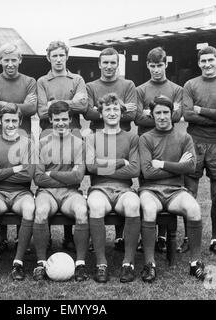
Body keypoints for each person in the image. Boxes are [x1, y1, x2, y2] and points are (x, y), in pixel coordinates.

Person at [138, 95, 206, 283]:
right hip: (150, 190)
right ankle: (150, 264)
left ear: (172, 114)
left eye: (165, 112)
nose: (162, 116)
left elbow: (191, 168)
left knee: (193, 208)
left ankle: (195, 264)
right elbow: (148, 173)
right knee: (149, 209)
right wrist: (177, 166)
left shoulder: (184, 137)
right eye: (157, 113)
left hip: (176, 190)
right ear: (152, 116)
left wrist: (162, 164)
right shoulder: (145, 138)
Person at [182, 46, 216, 256]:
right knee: (190, 194)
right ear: (199, 63)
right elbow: (188, 115)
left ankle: (215, 239)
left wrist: (201, 110)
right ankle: (188, 237)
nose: (207, 64)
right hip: (193, 144)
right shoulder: (190, 85)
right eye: (203, 61)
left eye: (211, 60)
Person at [84, 47, 138, 253]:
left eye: (112, 62)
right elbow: (88, 114)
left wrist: (107, 109)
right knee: (102, 180)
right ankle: (96, 238)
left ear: (118, 64)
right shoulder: (91, 85)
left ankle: (120, 237)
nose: (108, 66)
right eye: (105, 62)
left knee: (123, 182)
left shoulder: (128, 84)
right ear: (99, 64)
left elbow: (131, 116)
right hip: (99, 137)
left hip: (122, 135)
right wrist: (116, 108)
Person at [37, 40, 88, 250]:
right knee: (48, 174)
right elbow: (41, 111)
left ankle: (69, 236)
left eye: (62, 55)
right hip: (49, 133)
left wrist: (54, 105)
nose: (58, 60)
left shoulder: (76, 79)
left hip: (72, 132)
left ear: (67, 57)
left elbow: (83, 105)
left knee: (71, 180)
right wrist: (69, 103)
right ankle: (46, 235)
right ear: (48, 58)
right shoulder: (42, 81)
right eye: (54, 56)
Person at [0, 42, 37, 254]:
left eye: (13, 59)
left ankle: (19, 237)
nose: (10, 64)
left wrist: (3, 103)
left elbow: (32, 108)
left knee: (22, 183)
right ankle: (2, 237)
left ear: (20, 60)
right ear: (0, 61)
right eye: (6, 60)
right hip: (1, 137)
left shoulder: (29, 81)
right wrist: (18, 105)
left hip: (23, 137)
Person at [86, 93, 140, 283]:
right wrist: (120, 162)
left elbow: (134, 169)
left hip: (124, 189)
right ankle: (101, 263)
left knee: (134, 205)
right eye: (107, 109)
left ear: (121, 113)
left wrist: (104, 167)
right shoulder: (92, 137)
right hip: (99, 188)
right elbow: (91, 167)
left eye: (115, 109)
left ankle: (128, 263)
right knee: (96, 206)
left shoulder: (131, 137)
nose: (111, 112)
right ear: (101, 114)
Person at [32, 101, 89, 282]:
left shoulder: (79, 144)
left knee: (81, 211)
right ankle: (41, 263)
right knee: (40, 212)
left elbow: (78, 177)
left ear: (70, 119)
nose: (61, 123)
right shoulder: (41, 144)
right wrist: (65, 175)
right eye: (57, 120)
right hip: (46, 192)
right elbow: (38, 178)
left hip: (70, 193)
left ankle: (80, 264)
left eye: (65, 119)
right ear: (50, 120)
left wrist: (52, 173)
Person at [134, 47, 183, 254]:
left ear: (166, 64)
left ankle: (162, 235)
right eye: (152, 66)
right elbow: (137, 117)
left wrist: (150, 113)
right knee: (147, 182)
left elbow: (177, 116)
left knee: (167, 182)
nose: (156, 70)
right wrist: (160, 115)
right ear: (147, 65)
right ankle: (148, 235)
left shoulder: (176, 89)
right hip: (146, 141)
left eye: (160, 65)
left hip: (169, 142)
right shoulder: (140, 90)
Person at [0, 104, 35, 281]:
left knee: (29, 208)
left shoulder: (27, 143)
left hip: (21, 193)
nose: (11, 125)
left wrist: (0, 173)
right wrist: (15, 169)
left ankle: (18, 262)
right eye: (7, 121)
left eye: (14, 120)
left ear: (20, 121)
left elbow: (28, 174)